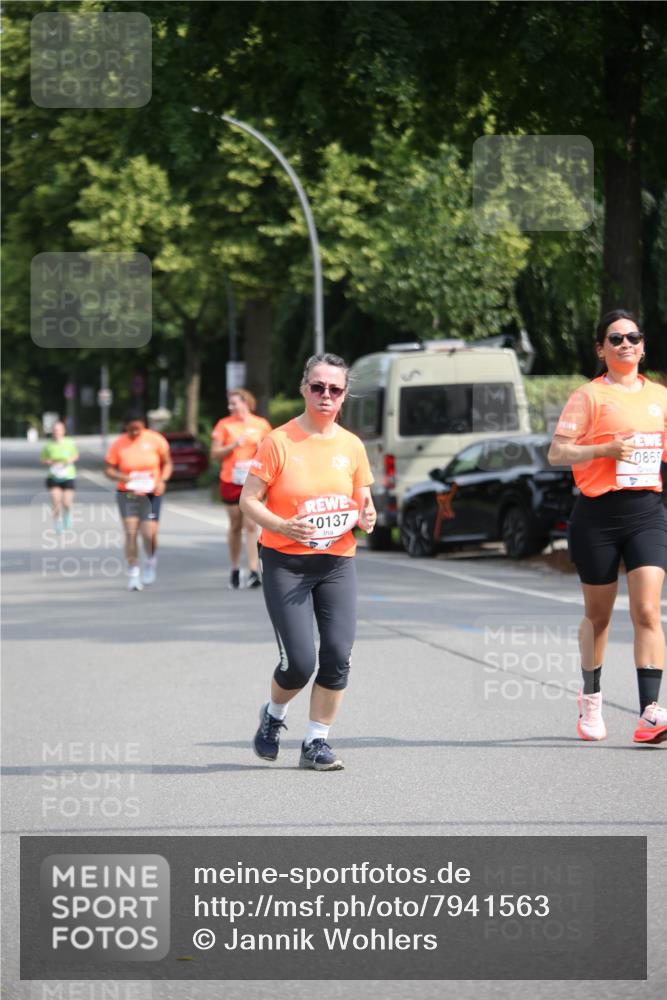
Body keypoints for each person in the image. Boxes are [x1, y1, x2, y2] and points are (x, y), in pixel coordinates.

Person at [240, 353, 376, 770]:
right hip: (286, 562)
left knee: (338, 654)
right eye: (318, 387)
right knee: (299, 663)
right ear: (304, 389)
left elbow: (363, 502)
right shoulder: (279, 442)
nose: (326, 395)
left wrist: (368, 516)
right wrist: (282, 526)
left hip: (336, 562)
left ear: (344, 396)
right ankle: (274, 716)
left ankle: (316, 742)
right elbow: (248, 500)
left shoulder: (351, 445)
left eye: (334, 389)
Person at [548, 309, 667, 745]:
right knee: (598, 617)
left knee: (648, 611)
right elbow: (557, 454)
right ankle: (592, 698)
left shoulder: (660, 397)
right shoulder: (588, 397)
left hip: (647, 513)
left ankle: (650, 712)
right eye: (615, 339)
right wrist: (606, 450)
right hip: (597, 516)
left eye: (633, 337)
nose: (625, 344)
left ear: (643, 346)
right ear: (601, 349)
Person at [104, 411, 173, 591]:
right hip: (128, 493)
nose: (135, 433)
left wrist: (162, 480)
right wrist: (122, 477)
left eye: (138, 429)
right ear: (125, 426)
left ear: (144, 425)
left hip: (151, 492)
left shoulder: (155, 440)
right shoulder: (119, 443)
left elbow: (167, 463)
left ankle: (150, 560)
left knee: (149, 534)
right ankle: (134, 573)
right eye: (131, 429)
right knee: (131, 532)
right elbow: (109, 470)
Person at [211, 388, 271, 590]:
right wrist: (233, 445)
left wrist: (262, 447)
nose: (231, 407)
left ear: (245, 402)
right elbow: (215, 454)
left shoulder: (261, 424)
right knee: (235, 525)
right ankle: (235, 568)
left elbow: (271, 450)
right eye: (229, 404)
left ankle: (254, 571)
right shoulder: (224, 425)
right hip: (230, 479)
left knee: (251, 525)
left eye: (234, 403)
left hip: (252, 479)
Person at [40, 420, 79, 533]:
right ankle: (57, 522)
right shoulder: (48, 445)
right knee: (56, 500)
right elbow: (43, 459)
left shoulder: (70, 442)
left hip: (68, 476)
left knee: (66, 502)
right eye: (55, 430)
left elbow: (76, 455)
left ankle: (67, 515)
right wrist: (48, 462)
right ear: (52, 431)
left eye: (59, 430)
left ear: (63, 431)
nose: (57, 432)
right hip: (54, 476)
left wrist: (69, 460)